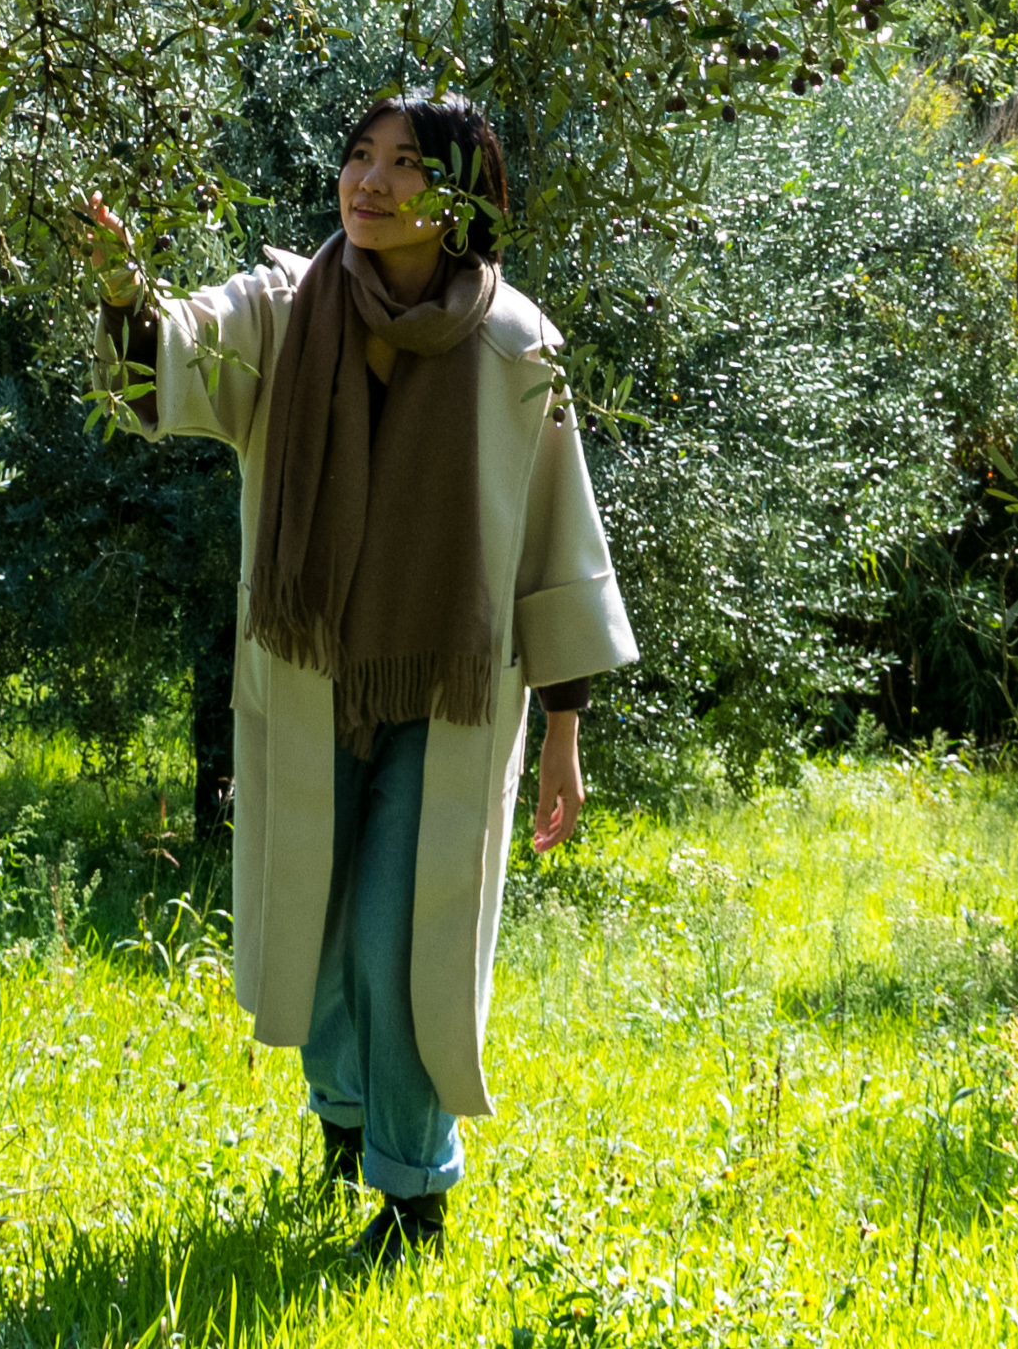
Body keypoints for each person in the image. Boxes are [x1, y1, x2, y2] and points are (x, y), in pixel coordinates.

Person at [84, 96, 633, 1269]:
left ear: (464, 194)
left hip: (451, 699)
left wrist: (564, 735)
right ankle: (344, 1122)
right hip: (309, 677)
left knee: (400, 938)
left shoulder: (515, 346)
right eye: (359, 157)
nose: (369, 183)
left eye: (405, 164)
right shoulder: (283, 311)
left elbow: (558, 546)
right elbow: (162, 373)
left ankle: (412, 1195)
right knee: (323, 927)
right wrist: (129, 294)